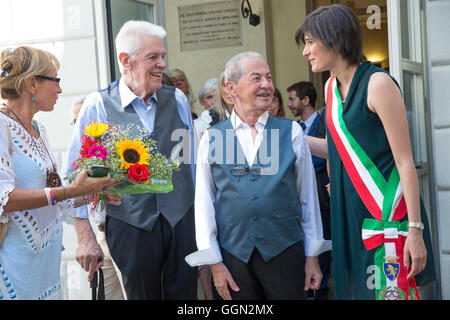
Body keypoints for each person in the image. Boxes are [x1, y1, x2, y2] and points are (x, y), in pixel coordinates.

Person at [295, 4, 435, 300]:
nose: (305, 51)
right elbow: (337, 151)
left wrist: (415, 230)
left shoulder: (378, 83)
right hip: (350, 213)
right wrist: (293, 139)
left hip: (386, 214)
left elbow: (405, 160)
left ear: (333, 39)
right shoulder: (332, 87)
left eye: (310, 42)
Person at [64, 20, 197, 300]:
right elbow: (74, 176)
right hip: (130, 225)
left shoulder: (179, 100)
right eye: (153, 57)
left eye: (163, 56)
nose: (162, 64)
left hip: (180, 221)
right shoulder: (98, 104)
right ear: (126, 60)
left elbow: (192, 167)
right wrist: (85, 234)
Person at [185, 51, 331, 300]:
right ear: (231, 88)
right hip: (233, 256)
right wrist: (214, 263)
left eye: (269, 77)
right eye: (256, 78)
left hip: (285, 252)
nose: (267, 85)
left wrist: (312, 256)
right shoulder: (213, 137)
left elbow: (307, 198)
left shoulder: (291, 132)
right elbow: (204, 203)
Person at [0, 46, 118, 300]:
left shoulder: (38, 130)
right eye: (55, 80)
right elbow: (4, 198)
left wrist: (90, 194)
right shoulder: (1, 126)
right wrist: (70, 190)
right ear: (32, 83)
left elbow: (51, 198)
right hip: (13, 268)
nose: (60, 89)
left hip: (44, 268)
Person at [69, 98, 126, 300]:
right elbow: (68, 197)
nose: (79, 128)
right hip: (99, 235)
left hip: (123, 232)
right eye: (75, 122)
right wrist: (85, 237)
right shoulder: (77, 159)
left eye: (82, 122)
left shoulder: (113, 151)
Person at [287, 81, 331, 300]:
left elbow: (324, 158)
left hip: (325, 199)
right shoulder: (293, 127)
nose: (288, 104)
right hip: (303, 201)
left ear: (306, 100)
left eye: (293, 99)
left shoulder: (324, 123)